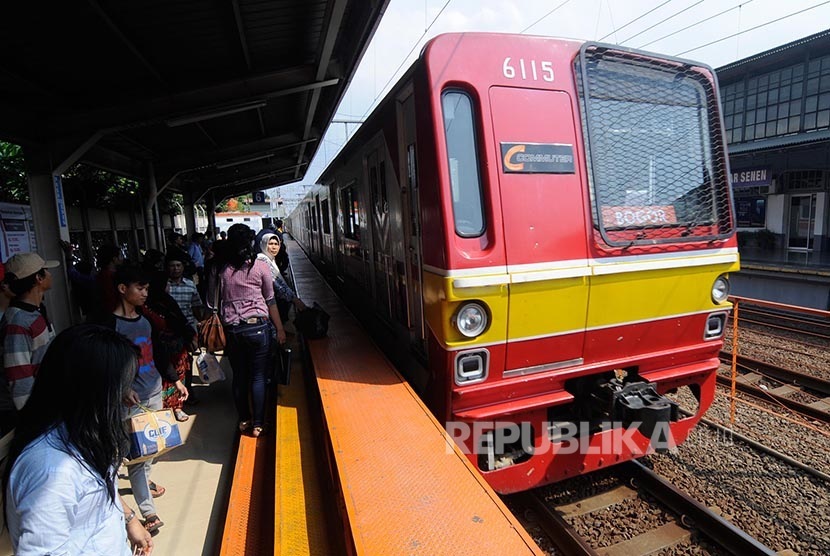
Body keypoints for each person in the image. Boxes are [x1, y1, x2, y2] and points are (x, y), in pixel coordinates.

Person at [2, 324, 153, 555]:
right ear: (95, 392)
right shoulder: (51, 470)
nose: (126, 397)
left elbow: (95, 492)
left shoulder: (82, 435)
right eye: (121, 388)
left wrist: (129, 518)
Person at [101, 264, 187, 534]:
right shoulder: (107, 325)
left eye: (147, 288)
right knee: (122, 456)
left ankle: (147, 508)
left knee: (145, 454)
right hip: (128, 401)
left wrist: (175, 380)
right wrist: (121, 388)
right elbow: (104, 363)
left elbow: (158, 353)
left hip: (153, 393)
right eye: (140, 288)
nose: (145, 293)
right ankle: (124, 505)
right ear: (122, 289)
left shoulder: (145, 320)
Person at [211, 224, 286, 437]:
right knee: (259, 377)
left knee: (240, 376)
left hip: (233, 330)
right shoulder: (260, 267)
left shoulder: (220, 269)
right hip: (259, 328)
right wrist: (280, 329)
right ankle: (258, 424)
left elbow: (211, 302)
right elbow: (270, 300)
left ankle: (244, 419)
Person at [0, 253, 59, 413]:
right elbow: (19, 378)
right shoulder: (18, 322)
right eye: (46, 270)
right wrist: (32, 415)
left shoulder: (36, 311)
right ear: (39, 278)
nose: (50, 274)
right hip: (31, 410)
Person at [166, 253, 203, 406]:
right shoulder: (163, 286)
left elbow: (196, 307)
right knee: (170, 364)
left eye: (178, 265)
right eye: (172, 266)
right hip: (167, 331)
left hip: (187, 330)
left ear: (183, 267)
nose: (175, 269)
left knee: (187, 363)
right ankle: (171, 398)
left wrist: (198, 326)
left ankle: (188, 392)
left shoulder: (190, 284)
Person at [256, 232, 305, 322]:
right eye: (270, 244)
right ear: (263, 244)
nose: (274, 247)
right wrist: (294, 299)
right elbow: (275, 281)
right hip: (268, 306)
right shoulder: (262, 260)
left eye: (276, 244)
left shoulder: (269, 259)